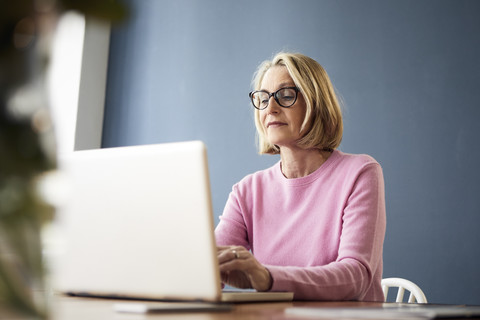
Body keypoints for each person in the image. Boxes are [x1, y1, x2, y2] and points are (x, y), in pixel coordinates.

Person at [215, 52, 386, 301]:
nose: (270, 108)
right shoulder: (247, 191)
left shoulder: (360, 173)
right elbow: (210, 266)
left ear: (316, 103)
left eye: (285, 96)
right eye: (263, 98)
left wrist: (267, 277)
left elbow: (355, 277)